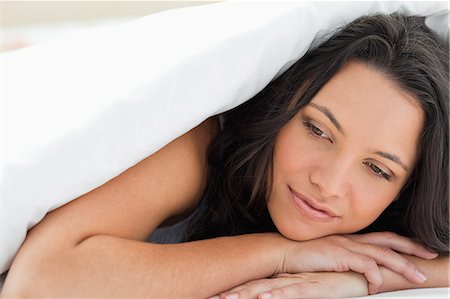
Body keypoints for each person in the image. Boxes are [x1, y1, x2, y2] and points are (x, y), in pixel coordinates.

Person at [1, 12, 448, 299]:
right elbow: (41, 284)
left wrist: (368, 277)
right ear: (283, 105)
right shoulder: (198, 144)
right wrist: (279, 254)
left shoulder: (402, 212)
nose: (329, 184)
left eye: (377, 169)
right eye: (317, 129)